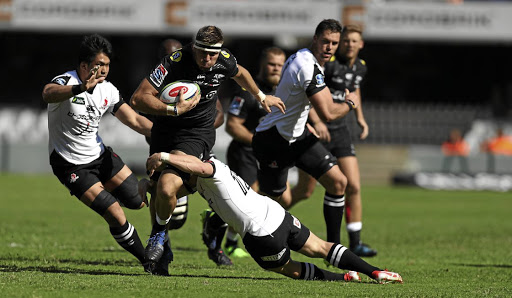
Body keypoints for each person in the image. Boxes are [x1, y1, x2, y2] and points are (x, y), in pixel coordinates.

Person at [130, 25, 285, 274]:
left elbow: (241, 72)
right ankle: (163, 244)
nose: (207, 59)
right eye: (202, 53)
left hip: (197, 134)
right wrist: (173, 110)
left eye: (213, 54)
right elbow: (138, 98)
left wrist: (260, 95)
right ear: (194, 47)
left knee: (167, 186)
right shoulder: (174, 61)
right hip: (165, 131)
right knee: (161, 189)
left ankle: (158, 234)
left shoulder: (223, 60)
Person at [141, 152, 403, 284]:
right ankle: (375, 271)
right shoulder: (202, 180)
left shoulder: (211, 168)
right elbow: (175, 188)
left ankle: (342, 279)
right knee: (321, 247)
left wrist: (162, 157)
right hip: (276, 214)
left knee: (287, 269)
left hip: (261, 234)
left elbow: (196, 167)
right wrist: (147, 185)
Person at [41, 34, 153, 272]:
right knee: (113, 211)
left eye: (107, 65)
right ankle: (149, 260)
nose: (104, 70)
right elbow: (48, 93)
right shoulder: (65, 81)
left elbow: (133, 119)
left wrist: (165, 134)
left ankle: (150, 188)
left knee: (137, 201)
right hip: (70, 164)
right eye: (99, 65)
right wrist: (80, 88)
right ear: (84, 66)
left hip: (100, 157)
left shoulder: (108, 90)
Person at [251, 19, 359, 255]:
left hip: (297, 138)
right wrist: (351, 103)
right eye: (325, 42)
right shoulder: (306, 66)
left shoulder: (308, 60)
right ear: (315, 39)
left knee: (338, 182)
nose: (329, 47)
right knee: (274, 201)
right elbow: (329, 112)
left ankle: (335, 249)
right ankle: (220, 222)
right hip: (273, 140)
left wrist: (313, 122)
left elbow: (305, 104)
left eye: (334, 43)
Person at [288, 24, 377, 257]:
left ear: (361, 44)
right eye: (345, 41)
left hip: (340, 131)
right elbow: (310, 92)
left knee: (353, 185)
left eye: (353, 41)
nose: (348, 45)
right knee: (305, 191)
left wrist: (361, 119)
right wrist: (316, 122)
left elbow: (355, 93)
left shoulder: (360, 67)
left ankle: (354, 243)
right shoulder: (327, 64)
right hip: (318, 131)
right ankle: (264, 215)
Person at [221, 46, 291, 258]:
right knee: (250, 197)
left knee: (285, 198)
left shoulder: (286, 91)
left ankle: (219, 221)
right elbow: (232, 125)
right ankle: (232, 242)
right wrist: (259, 141)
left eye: (280, 65)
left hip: (270, 154)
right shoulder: (248, 91)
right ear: (262, 64)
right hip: (245, 153)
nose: (276, 69)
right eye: (272, 64)